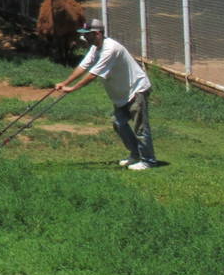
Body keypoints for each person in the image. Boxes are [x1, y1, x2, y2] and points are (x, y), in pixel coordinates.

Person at [54, 19, 156, 170]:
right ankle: (135, 155)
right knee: (119, 123)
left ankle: (148, 160)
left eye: (87, 34)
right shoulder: (96, 48)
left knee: (140, 127)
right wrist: (65, 82)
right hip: (122, 94)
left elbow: (93, 74)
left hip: (136, 89)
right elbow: (84, 66)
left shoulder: (110, 49)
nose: (84, 38)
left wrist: (73, 88)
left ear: (97, 34)